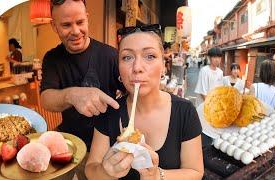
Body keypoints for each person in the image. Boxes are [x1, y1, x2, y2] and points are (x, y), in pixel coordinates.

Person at [85, 24, 204, 180]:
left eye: (150, 56)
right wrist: (105, 172)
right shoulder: (109, 112)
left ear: (163, 66)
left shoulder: (185, 111)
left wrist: (157, 176)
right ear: (119, 69)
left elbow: (195, 172)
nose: (137, 67)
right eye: (127, 57)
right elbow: (90, 170)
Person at [40, 0, 123, 178]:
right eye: (66, 25)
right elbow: (46, 98)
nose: (76, 31)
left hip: (106, 149)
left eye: (80, 22)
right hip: (71, 144)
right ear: (54, 26)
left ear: (87, 18)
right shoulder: (52, 58)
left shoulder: (110, 55)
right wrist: (72, 94)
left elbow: (130, 93)